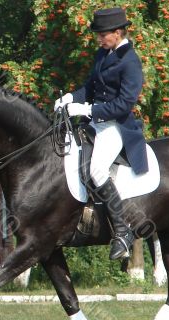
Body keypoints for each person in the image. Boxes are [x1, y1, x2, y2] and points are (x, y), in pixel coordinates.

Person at [54, 7, 148, 260]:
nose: (98, 39)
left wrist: (86, 109)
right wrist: (70, 97)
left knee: (97, 169)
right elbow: (91, 87)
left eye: (102, 34)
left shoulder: (130, 61)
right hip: (96, 122)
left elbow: (124, 104)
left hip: (118, 126)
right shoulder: (103, 53)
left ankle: (122, 232)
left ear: (117, 33)